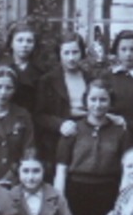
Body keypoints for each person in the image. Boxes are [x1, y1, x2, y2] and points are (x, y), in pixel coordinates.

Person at [54, 80, 132, 215]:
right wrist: (59, 199)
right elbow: (61, 168)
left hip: (108, 192)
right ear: (86, 101)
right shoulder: (73, 129)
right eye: (93, 99)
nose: (98, 104)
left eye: (103, 100)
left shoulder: (120, 132)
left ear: (110, 102)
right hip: (77, 192)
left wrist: (120, 202)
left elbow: (127, 170)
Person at [33, 31, 90, 165]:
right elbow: (39, 115)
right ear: (59, 54)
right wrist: (59, 124)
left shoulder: (90, 78)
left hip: (86, 136)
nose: (71, 58)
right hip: (58, 138)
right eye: (66, 53)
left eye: (75, 52)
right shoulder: (48, 80)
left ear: (82, 53)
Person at [0, 20, 41, 114]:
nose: (24, 45)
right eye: (20, 40)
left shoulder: (39, 71)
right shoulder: (1, 68)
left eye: (29, 41)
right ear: (11, 43)